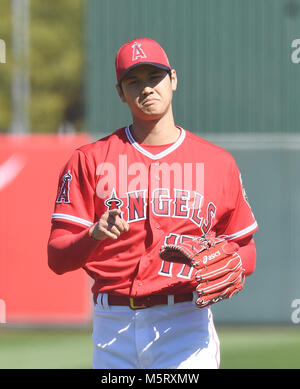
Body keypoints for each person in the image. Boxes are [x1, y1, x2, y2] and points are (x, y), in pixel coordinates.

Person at [47, 38, 258, 369]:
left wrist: (232, 262)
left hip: (185, 320)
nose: (146, 88)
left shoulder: (218, 163)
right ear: (120, 92)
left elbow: (246, 248)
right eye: (134, 81)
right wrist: (93, 235)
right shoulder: (89, 160)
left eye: (154, 77)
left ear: (173, 79)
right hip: (112, 324)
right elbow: (57, 257)